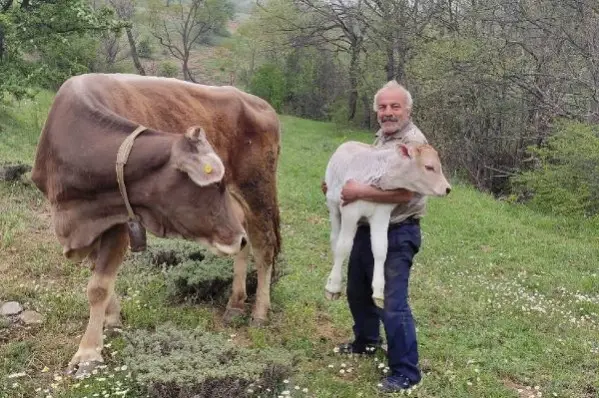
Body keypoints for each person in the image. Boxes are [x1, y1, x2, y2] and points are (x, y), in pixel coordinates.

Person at [321, 80, 428, 393]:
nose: (388, 112)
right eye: (382, 107)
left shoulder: (414, 143)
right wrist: (337, 187)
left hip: (398, 231)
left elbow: (406, 192)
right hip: (366, 227)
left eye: (395, 106)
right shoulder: (384, 138)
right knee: (358, 290)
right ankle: (366, 341)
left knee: (392, 303)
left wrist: (358, 191)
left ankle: (406, 371)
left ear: (407, 109)